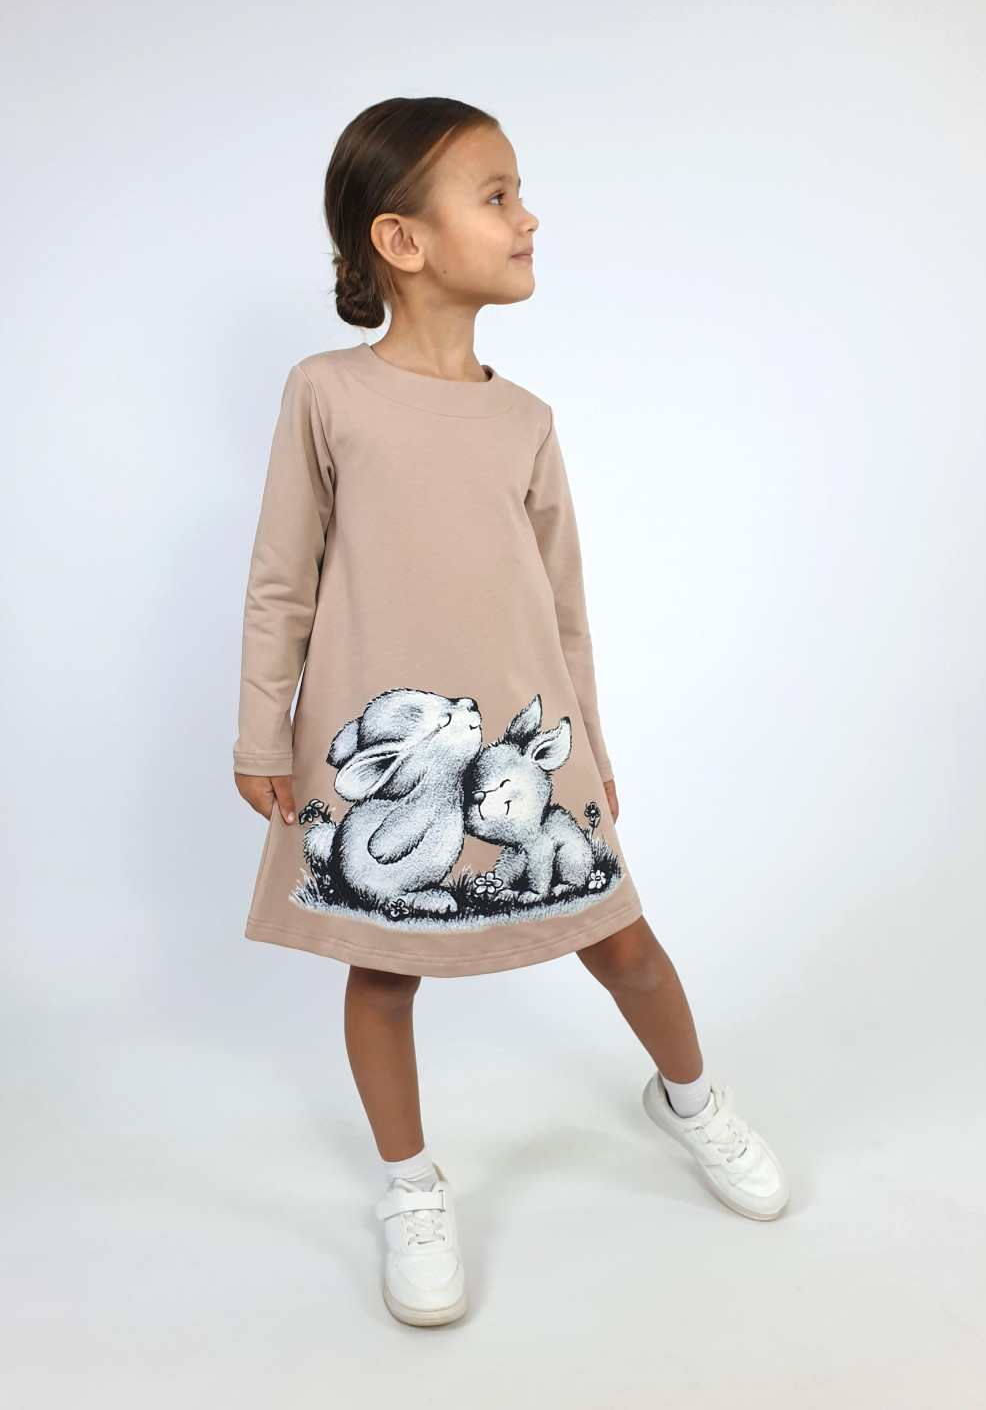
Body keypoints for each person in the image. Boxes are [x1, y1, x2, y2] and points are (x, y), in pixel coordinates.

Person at [231, 96, 789, 1329]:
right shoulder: (326, 394)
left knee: (623, 941)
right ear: (402, 241)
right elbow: (282, 577)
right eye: (497, 196)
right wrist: (261, 729)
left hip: (529, 748)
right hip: (390, 760)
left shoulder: (527, 420)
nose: (528, 217)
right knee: (383, 969)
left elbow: (563, 603)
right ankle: (411, 1187)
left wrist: (591, 743)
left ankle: (691, 1100)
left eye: (519, 193)